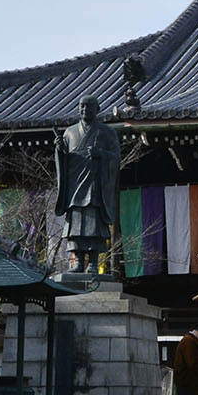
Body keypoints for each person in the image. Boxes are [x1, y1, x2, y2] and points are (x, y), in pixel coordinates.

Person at [54, 94, 121, 274]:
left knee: (93, 225)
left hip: (95, 185)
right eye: (82, 106)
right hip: (75, 185)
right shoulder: (70, 132)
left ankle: (92, 262)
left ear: (97, 110)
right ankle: (77, 262)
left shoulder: (107, 132)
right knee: (75, 225)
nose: (85, 110)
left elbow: (116, 158)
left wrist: (101, 154)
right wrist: (60, 150)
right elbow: (64, 160)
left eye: (89, 106)